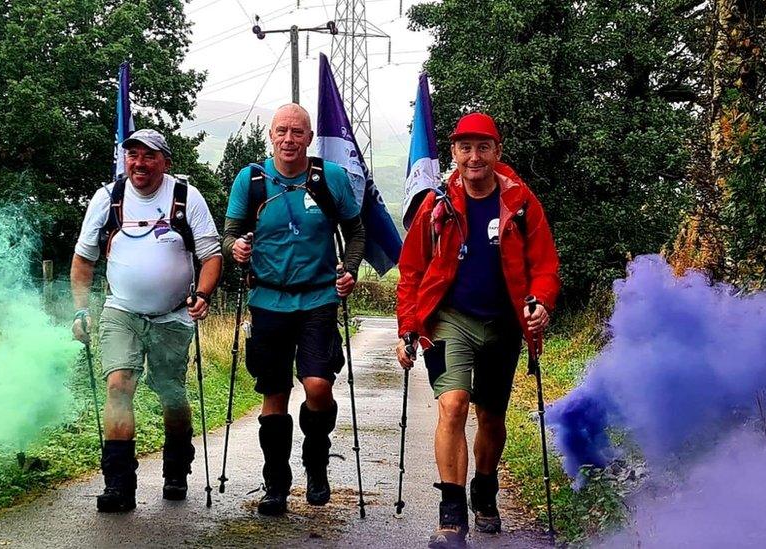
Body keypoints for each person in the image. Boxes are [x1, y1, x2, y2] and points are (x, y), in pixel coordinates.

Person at [395, 113, 560, 547]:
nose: (474, 156)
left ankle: (484, 493)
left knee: (491, 415)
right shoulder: (436, 206)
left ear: (497, 152)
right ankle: (451, 517)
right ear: (454, 153)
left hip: (504, 322)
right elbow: (411, 270)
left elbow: (544, 265)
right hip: (450, 318)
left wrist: (540, 303)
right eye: (465, 147)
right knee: (453, 405)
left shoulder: (521, 204)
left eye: (483, 147)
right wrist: (408, 327)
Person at [222, 103, 366, 516]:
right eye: (281, 131)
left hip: (319, 297)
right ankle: (276, 483)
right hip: (267, 299)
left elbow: (355, 230)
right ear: (271, 135)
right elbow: (230, 233)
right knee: (274, 393)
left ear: (309, 138)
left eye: (297, 132)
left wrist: (351, 269)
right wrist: (237, 248)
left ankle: (316, 461)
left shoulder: (330, 179)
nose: (289, 139)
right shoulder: (250, 181)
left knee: (318, 387)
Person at [70, 128, 223, 512]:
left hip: (173, 315)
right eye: (132, 155)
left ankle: (176, 468)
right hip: (120, 310)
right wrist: (81, 310)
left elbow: (211, 255)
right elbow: (83, 259)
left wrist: (202, 295)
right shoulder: (108, 199)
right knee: (119, 385)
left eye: (149, 156)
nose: (139, 163)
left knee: (171, 392)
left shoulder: (186, 198)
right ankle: (119, 485)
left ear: (165, 162)